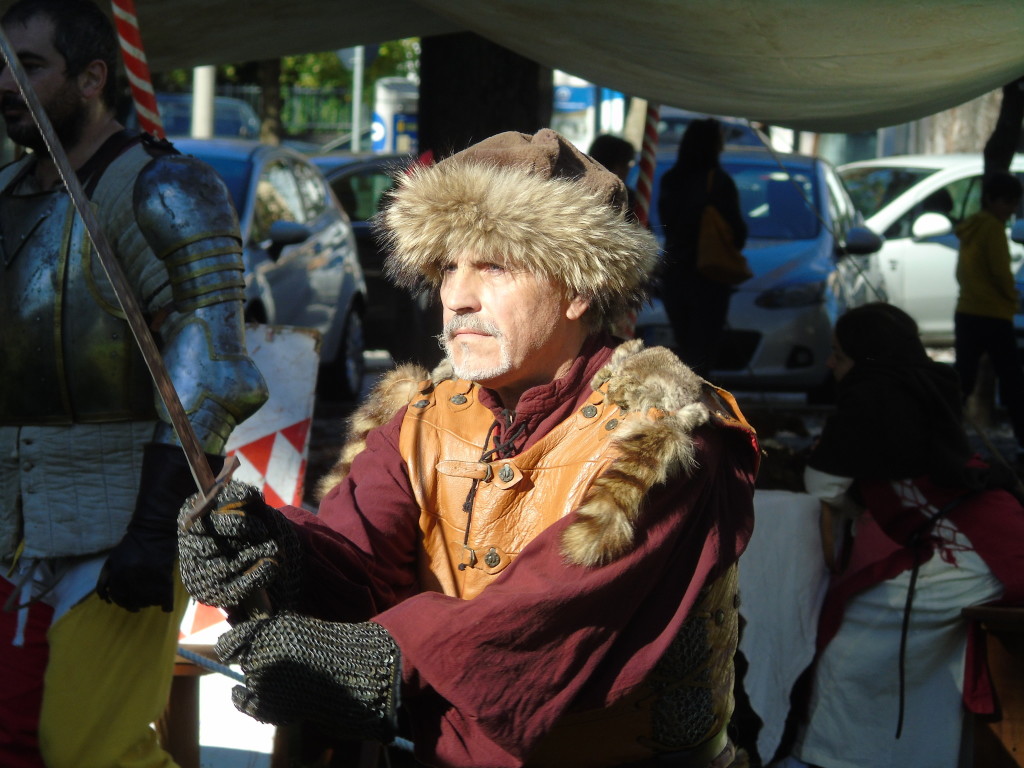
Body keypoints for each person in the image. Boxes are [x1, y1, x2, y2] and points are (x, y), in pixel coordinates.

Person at [178, 128, 760, 768]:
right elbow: (354, 562)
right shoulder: (421, 419)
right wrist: (272, 545)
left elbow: (544, 624)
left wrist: (379, 663)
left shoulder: (666, 440)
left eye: (493, 265)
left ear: (579, 288)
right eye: (447, 267)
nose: (457, 297)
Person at [0, 1, 269, 766]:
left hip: (118, 526)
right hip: (12, 525)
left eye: (31, 66)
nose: (7, 83)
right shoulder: (10, 190)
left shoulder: (164, 188)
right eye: (1, 64)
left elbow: (212, 365)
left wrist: (156, 526)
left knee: (95, 751)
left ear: (92, 77)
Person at [786, 303, 1024, 768]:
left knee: (852, 646)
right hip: (992, 537)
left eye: (839, 353)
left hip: (977, 553)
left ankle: (832, 759)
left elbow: (824, 484)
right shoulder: (925, 383)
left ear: (864, 357)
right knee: (920, 656)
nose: (831, 363)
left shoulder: (871, 397)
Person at [657, 118, 747, 378]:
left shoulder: (670, 180)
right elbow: (737, 233)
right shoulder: (719, 182)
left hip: (675, 274)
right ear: (714, 145)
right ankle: (703, 406)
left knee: (685, 346)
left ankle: (686, 401)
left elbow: (667, 225)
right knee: (705, 350)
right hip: (709, 276)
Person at [953, 169, 1024, 467]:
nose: (1009, 210)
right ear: (993, 201)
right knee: (1012, 380)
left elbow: (961, 272)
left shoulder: (970, 228)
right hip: (994, 315)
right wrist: (1013, 300)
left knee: (962, 380)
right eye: (1006, 203)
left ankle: (945, 435)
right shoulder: (992, 229)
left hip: (967, 311)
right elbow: (1000, 272)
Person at [588, 133, 638, 221]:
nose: (628, 169)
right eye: (626, 164)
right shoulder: (625, 197)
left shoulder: (576, 190)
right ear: (618, 167)